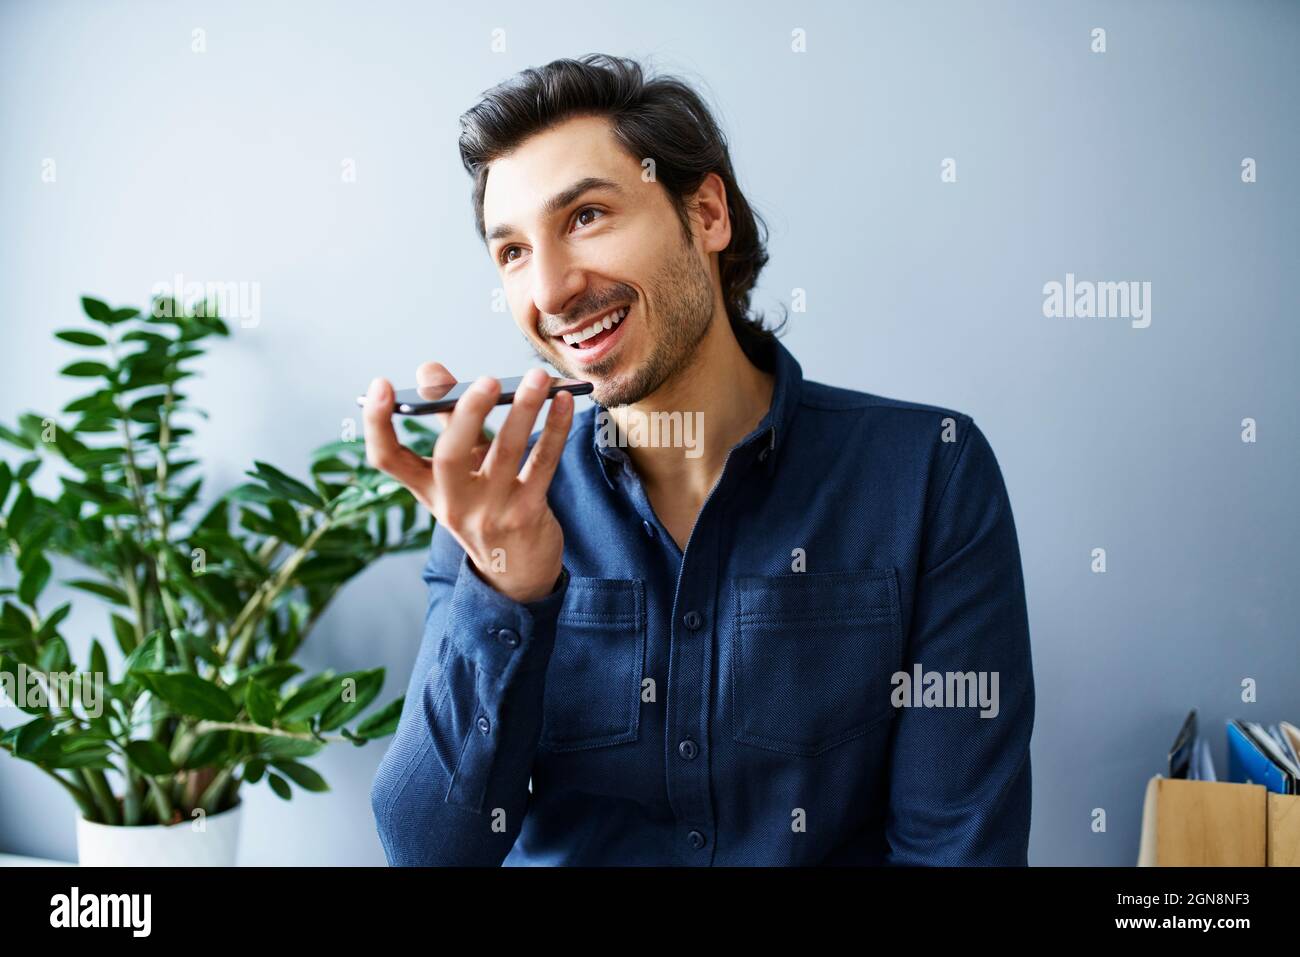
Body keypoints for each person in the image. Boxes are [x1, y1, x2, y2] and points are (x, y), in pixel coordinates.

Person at [364, 54, 1034, 865]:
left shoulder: (931, 473)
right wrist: (503, 589)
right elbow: (427, 852)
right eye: (511, 252)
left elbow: (956, 851)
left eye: (585, 216)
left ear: (707, 213)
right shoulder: (494, 504)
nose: (550, 289)